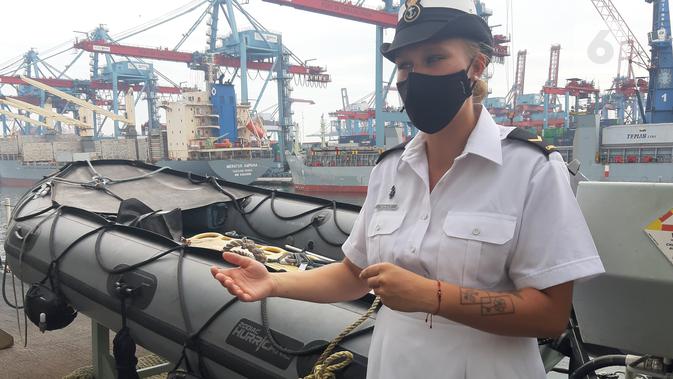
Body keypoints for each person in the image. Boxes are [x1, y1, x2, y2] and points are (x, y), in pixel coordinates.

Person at [211, 0, 605, 377]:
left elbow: (550, 314)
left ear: (476, 67)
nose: (414, 76)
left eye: (434, 59)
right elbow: (353, 274)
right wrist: (275, 282)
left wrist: (434, 296)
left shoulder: (530, 169)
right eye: (405, 65)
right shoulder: (389, 169)